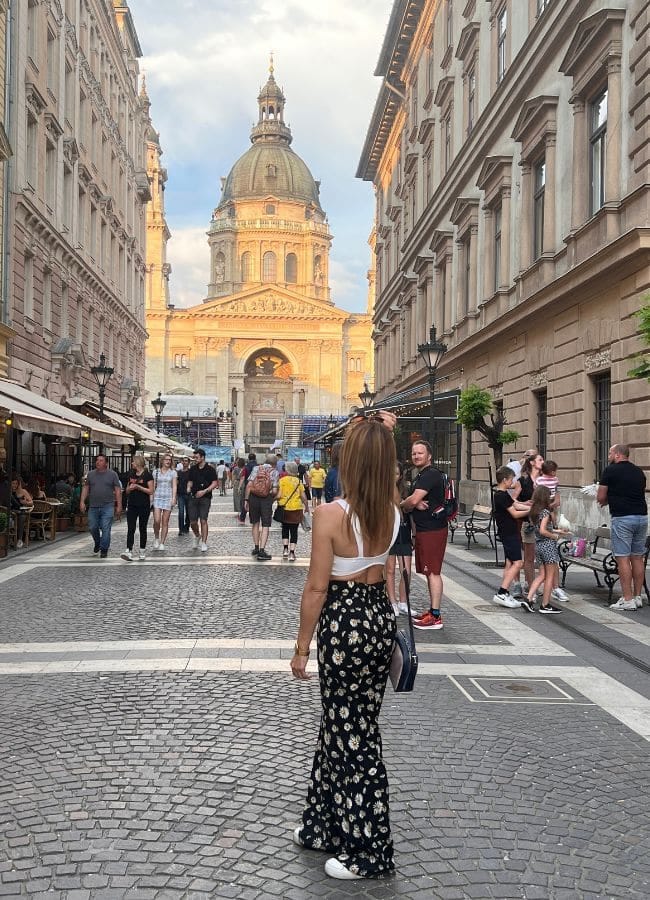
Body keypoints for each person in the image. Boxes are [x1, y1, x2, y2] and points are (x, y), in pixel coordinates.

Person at [291, 417, 400, 881]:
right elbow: (388, 571)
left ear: (349, 462)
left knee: (354, 734)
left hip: (345, 621)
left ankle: (368, 851)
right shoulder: (392, 511)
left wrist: (301, 646)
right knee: (342, 723)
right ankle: (323, 823)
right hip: (377, 616)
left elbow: (317, 587)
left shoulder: (330, 514)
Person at [401, 440, 448, 630]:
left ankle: (435, 617)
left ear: (429, 456)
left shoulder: (430, 474)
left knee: (433, 572)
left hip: (432, 530)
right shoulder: (421, 475)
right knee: (429, 572)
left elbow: (413, 501)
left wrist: (405, 503)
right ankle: (432, 612)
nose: (416, 456)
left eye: (420, 453)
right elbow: (414, 501)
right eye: (414, 453)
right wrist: (412, 503)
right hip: (425, 529)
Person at [598, 444, 648, 610]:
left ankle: (627, 599)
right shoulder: (638, 471)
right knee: (637, 557)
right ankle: (637, 596)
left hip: (623, 518)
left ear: (617, 455)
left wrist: (606, 500)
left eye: (610, 453)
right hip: (641, 517)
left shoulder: (610, 471)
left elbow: (601, 496)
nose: (608, 456)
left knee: (623, 558)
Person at [492, 466, 533, 609]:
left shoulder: (502, 494)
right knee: (518, 563)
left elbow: (516, 505)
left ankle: (506, 593)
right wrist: (531, 511)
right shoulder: (501, 496)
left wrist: (529, 506)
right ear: (505, 480)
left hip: (508, 532)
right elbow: (515, 513)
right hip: (509, 532)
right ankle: (501, 593)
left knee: (509, 563)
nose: (513, 482)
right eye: (511, 479)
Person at [524, 485, 568, 614]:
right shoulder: (545, 512)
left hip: (538, 546)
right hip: (548, 546)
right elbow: (543, 531)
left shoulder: (534, 512)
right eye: (549, 496)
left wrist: (558, 531)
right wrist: (555, 536)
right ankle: (545, 604)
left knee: (542, 575)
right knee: (550, 576)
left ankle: (529, 599)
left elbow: (540, 528)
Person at [79, 455, 122, 559]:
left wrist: (119, 505)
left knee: (106, 528)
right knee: (92, 527)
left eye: (101, 460)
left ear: (106, 463)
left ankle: (104, 549)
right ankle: (98, 542)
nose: (98, 462)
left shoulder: (112, 474)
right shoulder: (91, 474)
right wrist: (82, 501)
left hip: (108, 505)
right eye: (97, 460)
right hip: (93, 506)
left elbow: (117, 490)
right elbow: (86, 488)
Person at [386, 461, 412, 616]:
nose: (393, 477)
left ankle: (403, 601)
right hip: (388, 533)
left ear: (401, 475)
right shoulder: (382, 490)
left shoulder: (405, 489)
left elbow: (410, 510)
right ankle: (392, 602)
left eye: (396, 474)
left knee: (406, 570)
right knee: (389, 569)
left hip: (403, 531)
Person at [244, 453, 279, 560]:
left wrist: (246, 500)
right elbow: (274, 491)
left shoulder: (256, 468)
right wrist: (270, 495)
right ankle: (262, 550)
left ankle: (256, 547)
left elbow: (249, 485)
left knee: (255, 523)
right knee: (265, 525)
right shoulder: (275, 472)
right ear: (275, 463)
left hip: (253, 498)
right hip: (266, 500)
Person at [121, 456, 154, 561]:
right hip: (132, 504)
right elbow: (127, 490)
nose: (132, 463)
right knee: (131, 527)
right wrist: (129, 489)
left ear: (138, 463)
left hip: (144, 505)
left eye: (133, 462)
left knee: (142, 528)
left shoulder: (148, 475)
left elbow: (151, 491)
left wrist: (138, 487)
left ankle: (142, 550)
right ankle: (128, 550)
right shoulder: (131, 474)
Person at [275, 460, 309, 560]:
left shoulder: (282, 480)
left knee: (285, 529)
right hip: (296, 509)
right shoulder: (298, 481)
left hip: (284, 509)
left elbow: (279, 495)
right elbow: (303, 496)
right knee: (294, 531)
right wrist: (306, 506)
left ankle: (285, 549)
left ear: (287, 469)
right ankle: (292, 553)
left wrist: (273, 499)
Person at [186, 449, 218, 552]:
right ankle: (197, 535)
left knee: (203, 520)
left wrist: (204, 491)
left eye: (196, 457)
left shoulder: (210, 469)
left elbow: (215, 483)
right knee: (193, 522)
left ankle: (204, 542)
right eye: (194, 457)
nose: (195, 459)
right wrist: (188, 487)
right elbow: (190, 481)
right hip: (193, 497)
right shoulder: (193, 469)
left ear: (203, 457)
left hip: (205, 497)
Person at [152, 453, 177, 551]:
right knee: (157, 520)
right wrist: (151, 497)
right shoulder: (156, 472)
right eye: (166, 459)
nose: (168, 461)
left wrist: (174, 498)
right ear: (162, 461)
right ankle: (156, 537)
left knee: (165, 521)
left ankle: (162, 542)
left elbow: (174, 486)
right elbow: (153, 485)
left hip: (168, 498)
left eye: (169, 460)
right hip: (157, 498)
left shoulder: (173, 473)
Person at [10, 475, 33, 548]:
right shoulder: (8, 491)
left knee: (22, 517)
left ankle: (20, 539)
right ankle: (12, 539)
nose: (14, 485)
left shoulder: (23, 491)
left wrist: (25, 502)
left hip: (20, 511)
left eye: (16, 483)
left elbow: (31, 503)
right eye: (13, 483)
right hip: (11, 511)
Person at [176, 457, 191, 535]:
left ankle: (187, 526)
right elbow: (176, 483)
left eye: (186, 461)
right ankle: (181, 529)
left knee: (188, 512)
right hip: (180, 494)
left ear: (188, 463)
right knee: (181, 512)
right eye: (183, 461)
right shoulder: (178, 472)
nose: (184, 462)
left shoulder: (191, 472)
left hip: (189, 495)